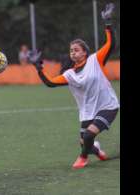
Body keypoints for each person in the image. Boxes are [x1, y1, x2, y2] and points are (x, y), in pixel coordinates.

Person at [28, 3, 119, 169]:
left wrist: (107, 23)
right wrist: (38, 67)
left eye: (76, 50)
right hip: (87, 112)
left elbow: (111, 45)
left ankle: (83, 157)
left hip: (108, 105)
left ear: (85, 52)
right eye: (71, 51)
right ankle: (96, 151)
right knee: (85, 141)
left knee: (89, 134)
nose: (73, 53)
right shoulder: (69, 74)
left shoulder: (95, 60)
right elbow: (50, 82)